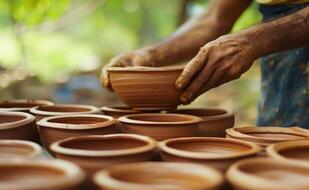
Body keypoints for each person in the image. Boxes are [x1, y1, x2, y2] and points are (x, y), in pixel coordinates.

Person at [100, 0, 309, 128]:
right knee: (278, 155)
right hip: (282, 71)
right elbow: (214, 18)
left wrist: (255, 40)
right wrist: (151, 54)